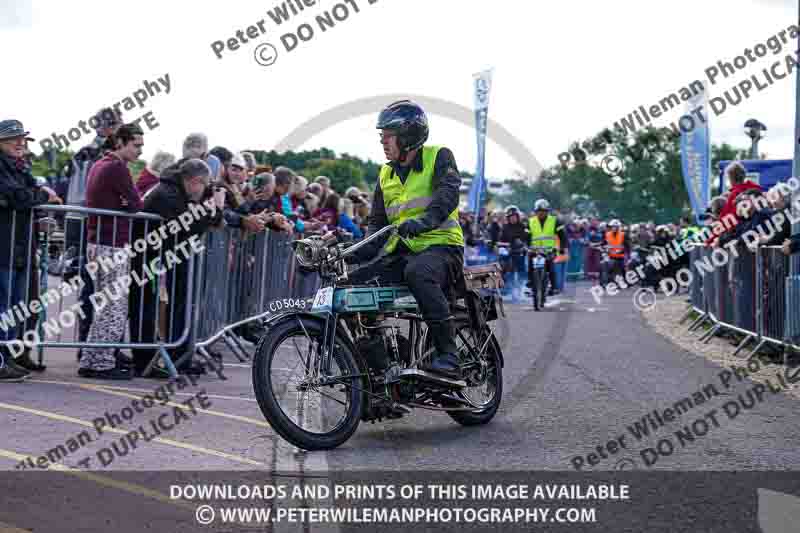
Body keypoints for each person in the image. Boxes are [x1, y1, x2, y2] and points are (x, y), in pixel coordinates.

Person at [346, 100, 465, 380]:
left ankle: (449, 355)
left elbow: (448, 194)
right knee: (352, 288)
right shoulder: (385, 173)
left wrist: (425, 221)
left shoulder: (439, 156)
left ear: (409, 136)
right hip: (402, 251)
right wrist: (347, 253)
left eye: (388, 135)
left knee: (418, 272)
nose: (383, 141)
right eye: (382, 135)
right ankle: (381, 369)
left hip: (442, 246)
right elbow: (377, 226)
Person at [128, 159, 225, 377]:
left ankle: (176, 356)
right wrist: (214, 210)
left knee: (173, 303)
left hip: (161, 255)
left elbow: (200, 222)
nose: (203, 192)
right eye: (203, 186)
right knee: (144, 307)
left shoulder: (177, 189)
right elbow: (189, 226)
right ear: (194, 181)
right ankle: (143, 361)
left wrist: (211, 210)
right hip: (145, 256)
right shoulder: (168, 193)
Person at [78, 123, 145, 380]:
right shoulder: (117, 167)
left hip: (98, 243)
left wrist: (123, 202)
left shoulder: (99, 164)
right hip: (112, 244)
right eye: (136, 145)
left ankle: (91, 358)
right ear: (120, 143)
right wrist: (125, 202)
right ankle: (102, 362)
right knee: (114, 307)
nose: (140, 150)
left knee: (104, 305)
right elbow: (136, 203)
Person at [0, 120, 62, 382]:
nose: (20, 142)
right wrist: (42, 195)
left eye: (22, 138)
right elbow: (18, 197)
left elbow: (26, 193)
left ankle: (8, 357)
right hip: (4, 248)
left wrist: (37, 193)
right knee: (4, 306)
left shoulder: (18, 166)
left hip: (18, 248)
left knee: (16, 307)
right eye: (13, 138)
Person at [527, 199, 567, 297]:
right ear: (536, 211)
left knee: (551, 266)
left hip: (549, 249)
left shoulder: (555, 221)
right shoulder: (530, 221)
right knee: (530, 264)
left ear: (547, 211)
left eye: (544, 211)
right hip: (534, 249)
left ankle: (554, 287)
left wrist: (562, 248)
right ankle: (531, 284)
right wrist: (525, 246)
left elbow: (562, 236)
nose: (541, 213)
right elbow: (526, 236)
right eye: (539, 211)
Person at [603, 219, 628, 284]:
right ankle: (608, 282)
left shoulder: (623, 235)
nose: (614, 228)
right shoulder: (607, 234)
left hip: (621, 256)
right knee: (608, 267)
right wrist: (605, 249)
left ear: (618, 227)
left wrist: (621, 250)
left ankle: (625, 281)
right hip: (610, 256)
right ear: (611, 227)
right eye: (613, 226)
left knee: (623, 268)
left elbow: (626, 246)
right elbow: (604, 244)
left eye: (616, 227)